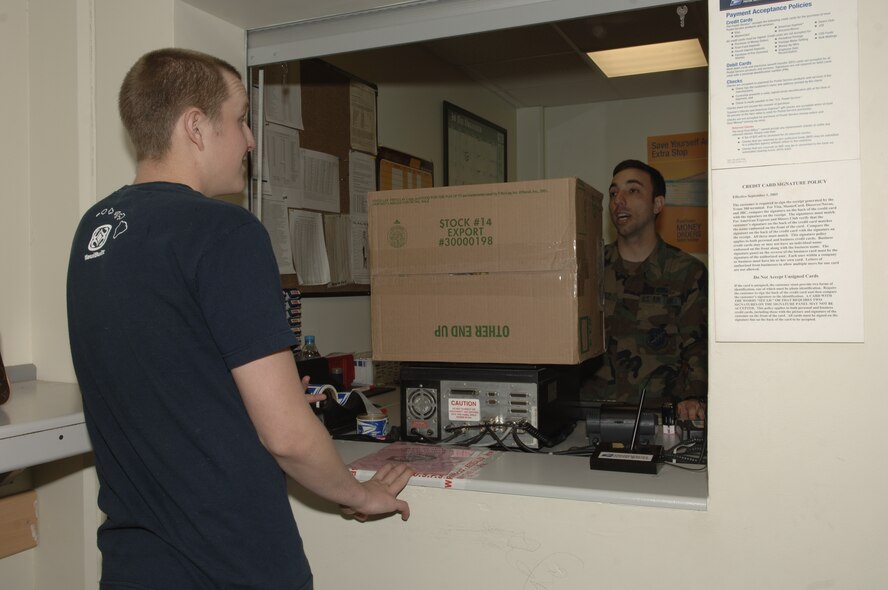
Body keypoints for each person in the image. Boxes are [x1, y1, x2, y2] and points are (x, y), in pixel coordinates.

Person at [66, 48, 413, 589]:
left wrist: (256, 396)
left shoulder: (96, 229)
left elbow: (158, 378)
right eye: (241, 118)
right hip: (230, 563)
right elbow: (289, 439)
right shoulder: (226, 231)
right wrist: (359, 491)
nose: (251, 139)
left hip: (136, 565)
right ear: (196, 126)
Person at [583, 159, 707, 421]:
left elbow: (697, 348)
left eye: (633, 190)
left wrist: (693, 397)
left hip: (660, 420)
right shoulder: (589, 269)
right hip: (590, 418)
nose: (619, 200)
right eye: (614, 192)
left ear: (657, 204)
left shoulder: (687, 272)